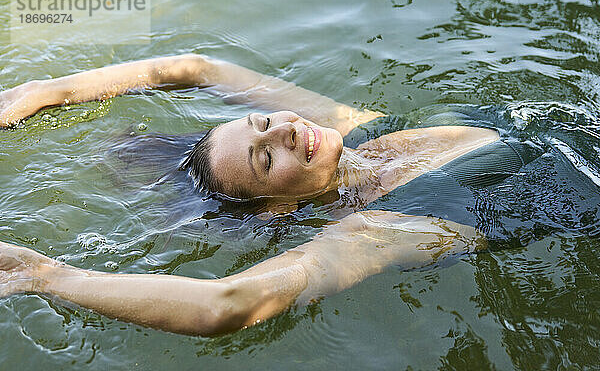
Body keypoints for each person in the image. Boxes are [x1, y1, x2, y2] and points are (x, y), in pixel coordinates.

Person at [0, 54, 512, 336]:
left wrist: (46, 92)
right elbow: (226, 304)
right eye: (264, 160)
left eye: (262, 122)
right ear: (278, 208)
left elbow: (198, 69)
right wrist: (45, 277)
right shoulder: (375, 230)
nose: (283, 131)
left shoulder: (351, 132)